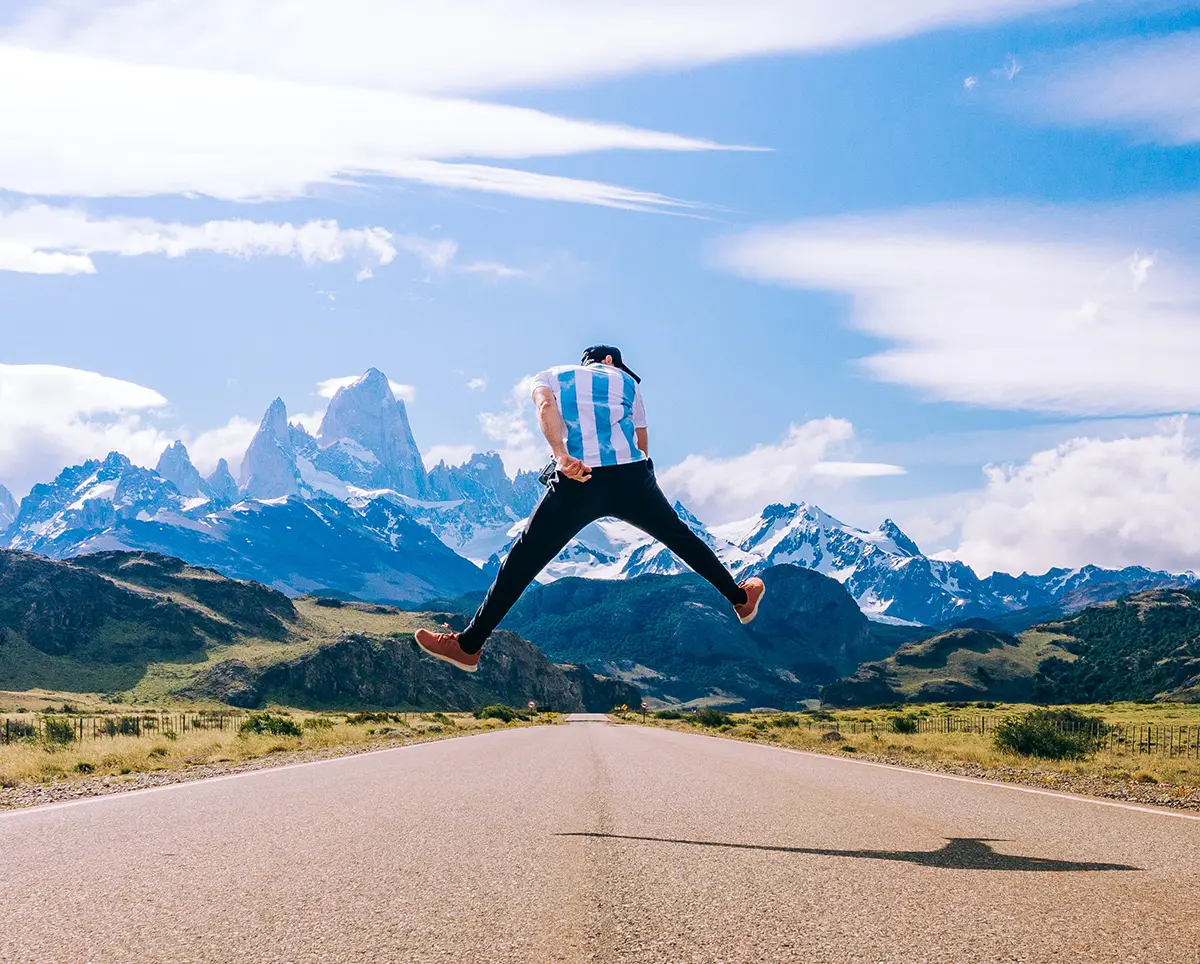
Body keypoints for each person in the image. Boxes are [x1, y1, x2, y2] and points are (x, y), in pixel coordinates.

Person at [415, 345, 765, 672]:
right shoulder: (629, 383)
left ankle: (469, 645)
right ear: (610, 361)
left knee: (523, 560)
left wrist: (561, 457)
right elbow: (642, 444)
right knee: (680, 537)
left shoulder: (550, 376)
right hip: (631, 476)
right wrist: (642, 485)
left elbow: (545, 408)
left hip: (577, 476)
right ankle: (739, 598)